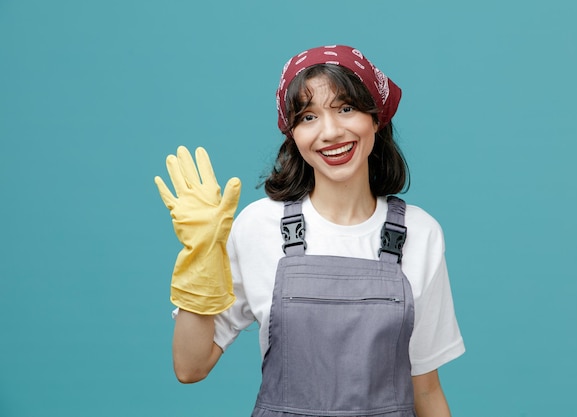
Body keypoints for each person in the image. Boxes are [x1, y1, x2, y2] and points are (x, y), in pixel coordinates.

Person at [155, 44, 465, 417]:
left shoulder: (420, 233)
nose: (330, 132)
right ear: (292, 134)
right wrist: (200, 259)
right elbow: (190, 367)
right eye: (308, 117)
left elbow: (427, 391)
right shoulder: (258, 227)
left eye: (345, 109)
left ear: (376, 118)